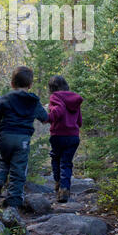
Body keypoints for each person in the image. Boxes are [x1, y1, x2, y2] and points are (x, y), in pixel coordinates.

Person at [0, 66, 48, 208]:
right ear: (30, 85)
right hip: (23, 139)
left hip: (5, 136)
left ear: (12, 84)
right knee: (19, 168)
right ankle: (14, 200)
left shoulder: (5, 99)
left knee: (3, 160)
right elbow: (45, 118)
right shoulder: (34, 102)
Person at [47, 75, 83, 203]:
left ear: (52, 88)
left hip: (58, 135)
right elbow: (79, 121)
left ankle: (58, 183)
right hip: (73, 136)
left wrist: (49, 118)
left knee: (56, 159)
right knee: (66, 162)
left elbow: (59, 111)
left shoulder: (55, 97)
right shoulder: (74, 99)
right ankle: (65, 188)